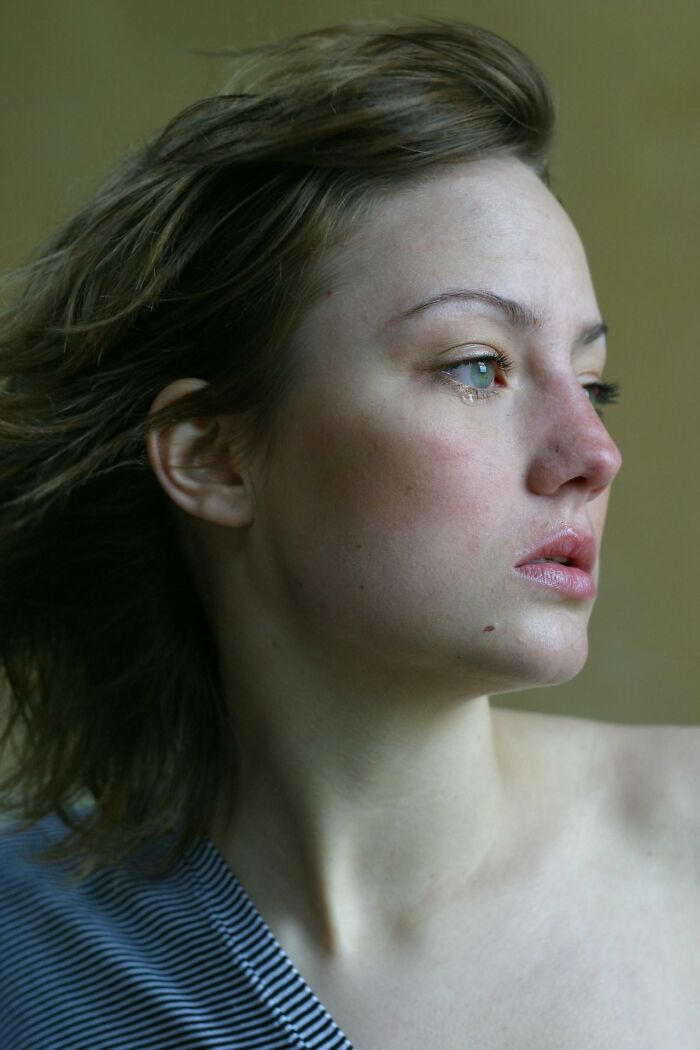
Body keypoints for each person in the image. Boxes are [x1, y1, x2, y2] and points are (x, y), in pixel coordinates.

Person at [0, 16, 697, 1050]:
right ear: (214, 458)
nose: (592, 452)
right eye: (477, 366)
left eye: (593, 382)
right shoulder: (29, 960)